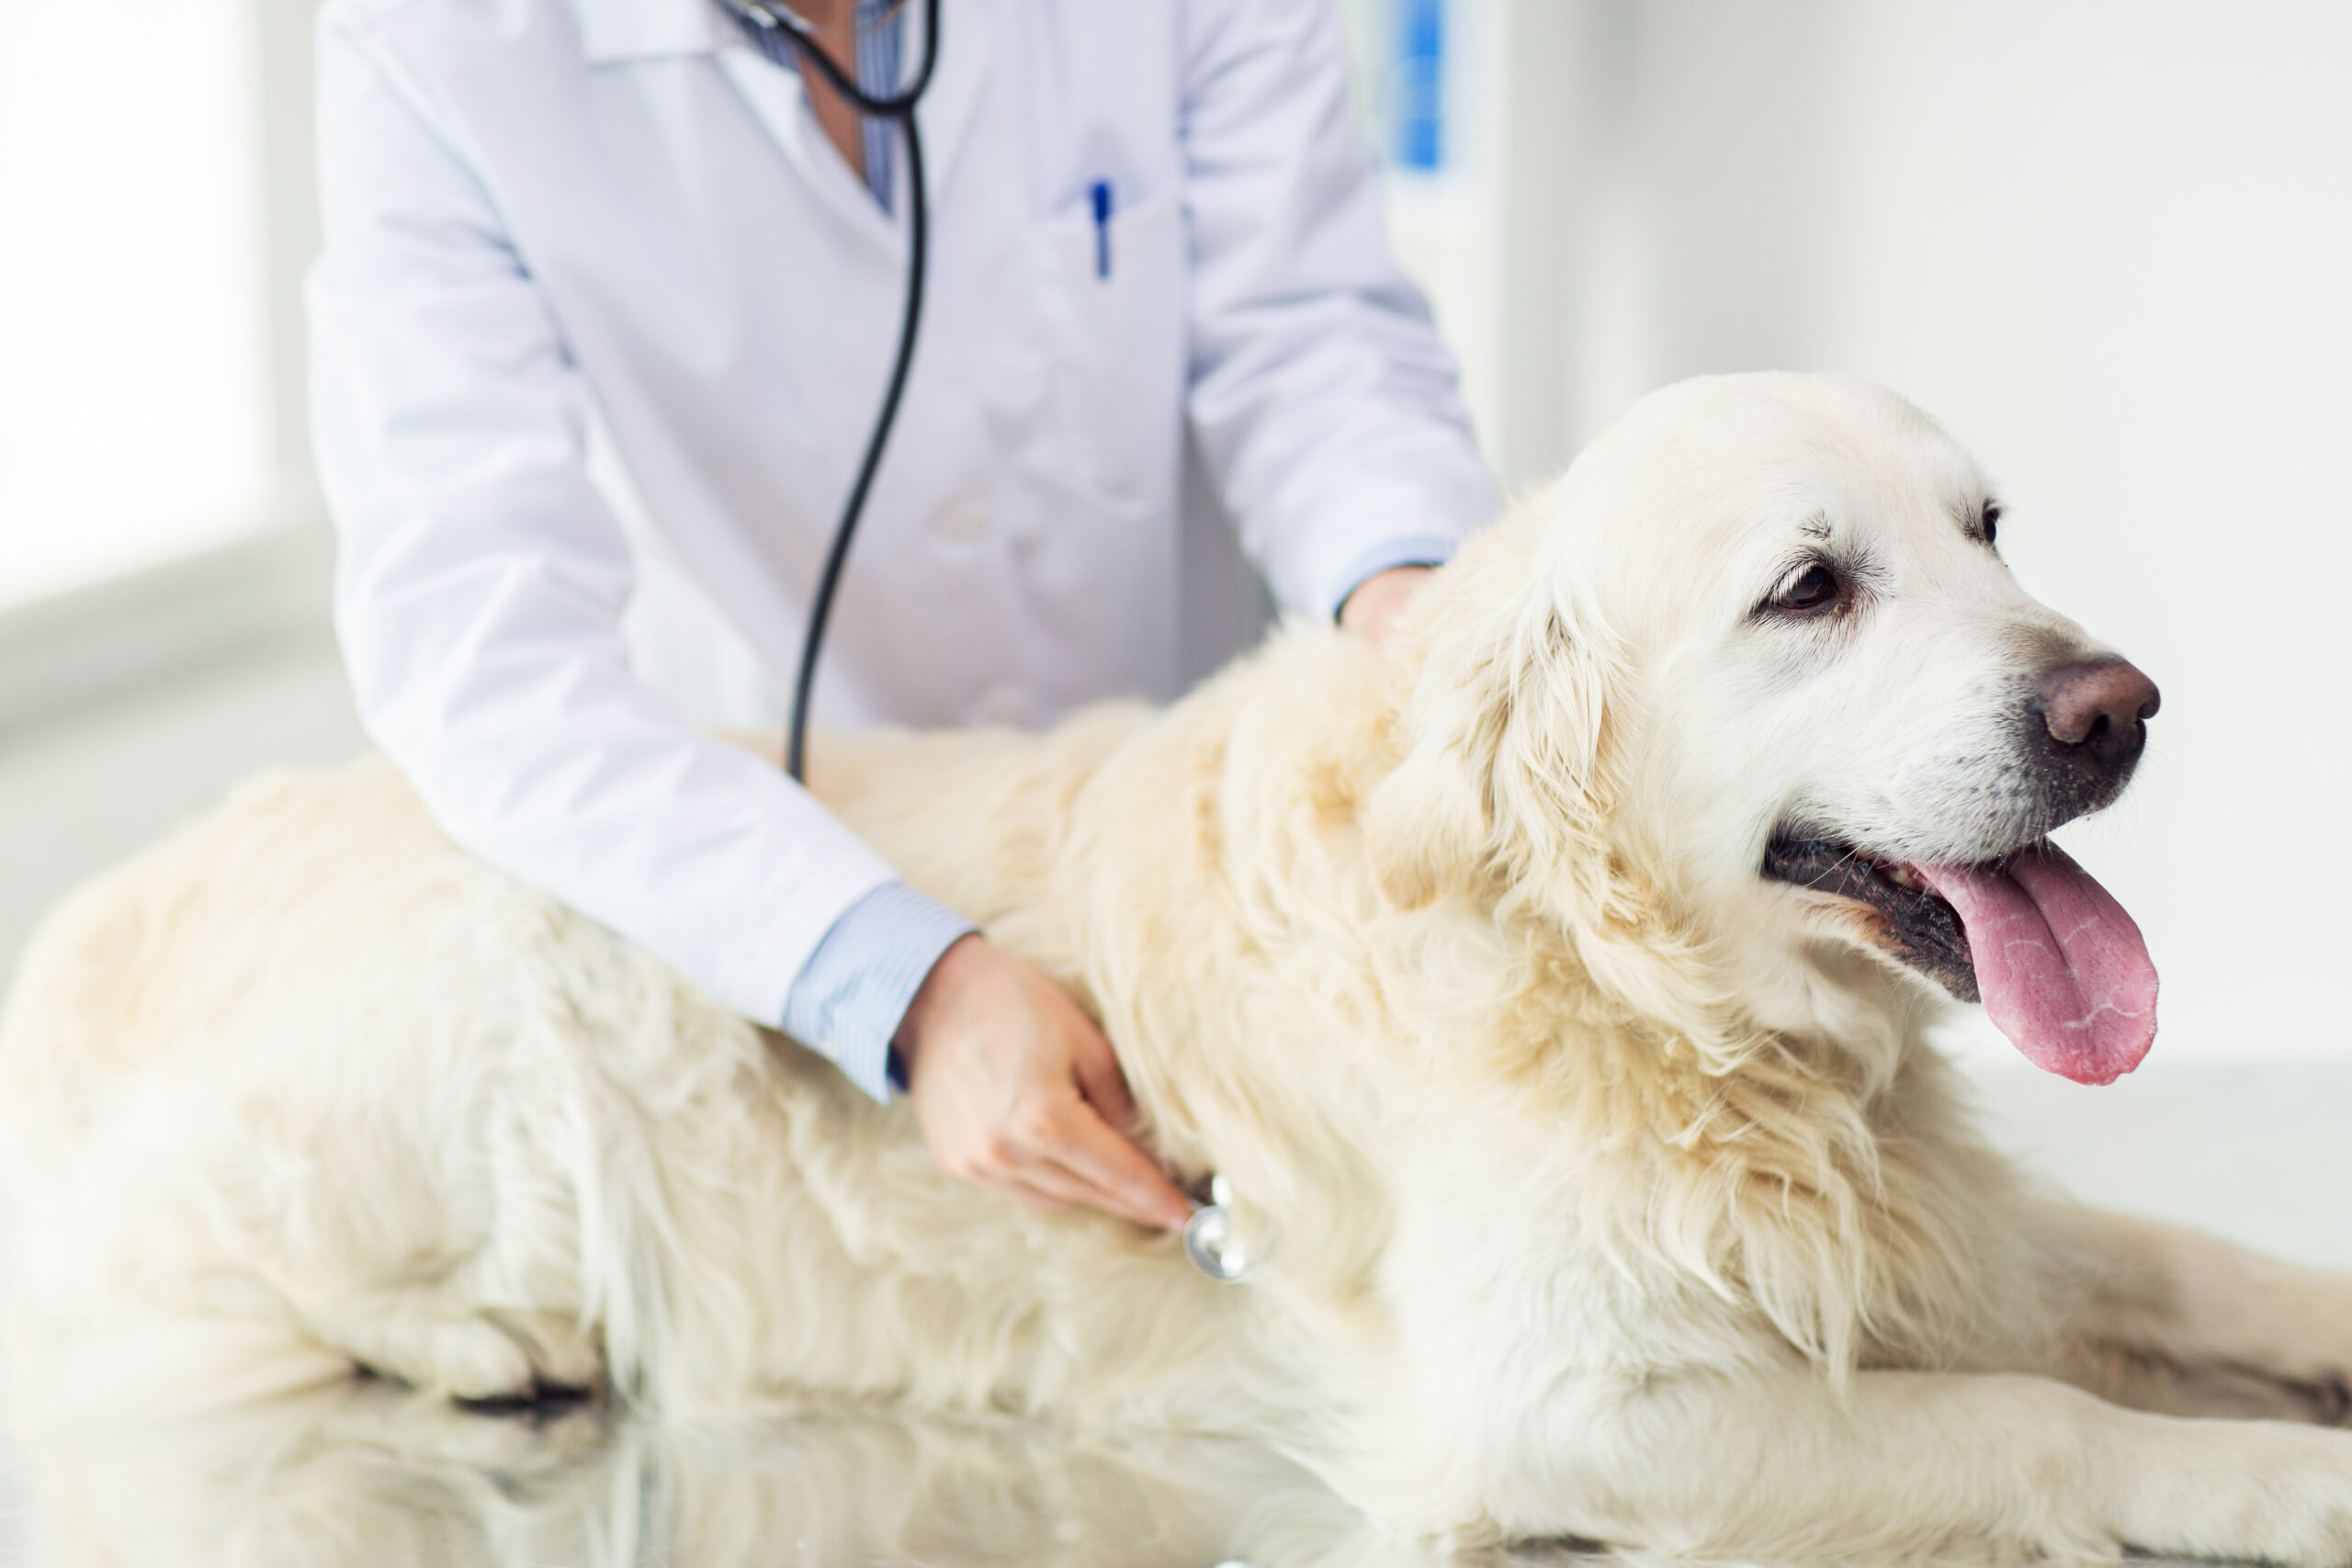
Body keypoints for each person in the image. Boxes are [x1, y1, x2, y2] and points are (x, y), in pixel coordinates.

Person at [308, 0, 1496, 1234]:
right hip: (773, 897)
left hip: (1165, 852)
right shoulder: (434, 46)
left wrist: (1414, 606)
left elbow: (1314, 340)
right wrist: (893, 979)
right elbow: (481, 652)